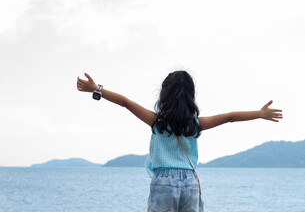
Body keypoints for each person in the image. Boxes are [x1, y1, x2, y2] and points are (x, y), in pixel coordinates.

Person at [77, 70, 283, 212]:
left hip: (163, 183)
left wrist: (97, 89)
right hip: (191, 183)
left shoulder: (157, 121)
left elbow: (126, 103)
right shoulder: (195, 125)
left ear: (164, 95)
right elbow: (229, 117)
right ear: (190, 96)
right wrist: (259, 113)